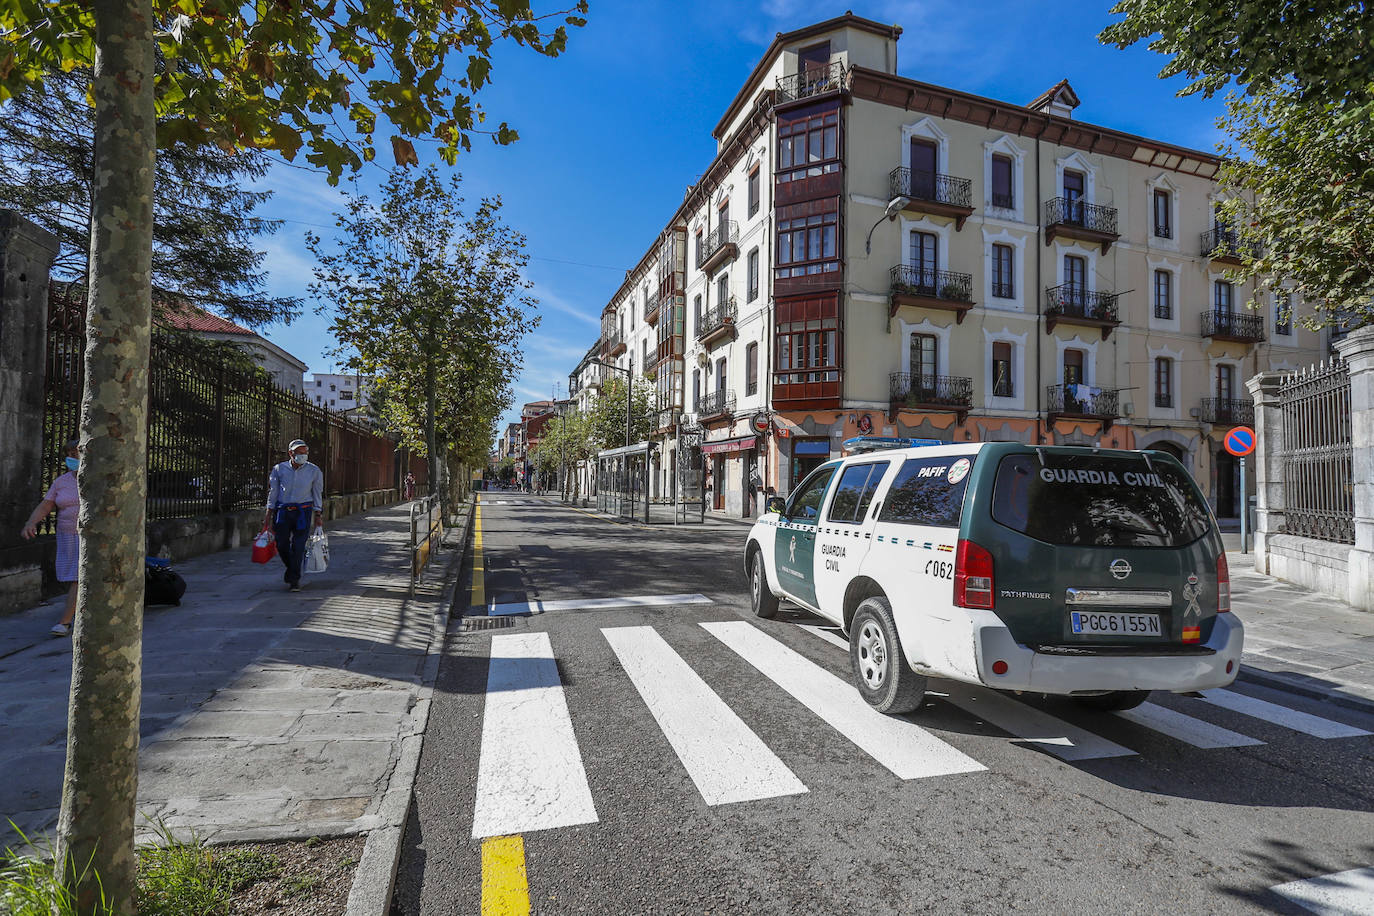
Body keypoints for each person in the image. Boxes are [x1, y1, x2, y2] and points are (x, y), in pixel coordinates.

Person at [20, 438, 82, 637]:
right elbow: (47, 505)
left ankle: (64, 622)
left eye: (77, 453)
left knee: (77, 578)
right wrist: (32, 522)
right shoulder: (61, 482)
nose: (73, 458)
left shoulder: (97, 480)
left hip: (89, 536)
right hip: (67, 536)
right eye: (70, 454)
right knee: (72, 577)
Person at [264, 439, 324, 592]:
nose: (303, 455)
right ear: (291, 453)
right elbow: (274, 493)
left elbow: (317, 493)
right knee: (282, 544)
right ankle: (292, 570)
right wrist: (268, 514)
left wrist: (318, 514)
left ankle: (294, 580)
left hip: (302, 512)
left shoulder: (314, 471)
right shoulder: (279, 469)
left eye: (305, 453)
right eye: (299, 453)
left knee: (298, 546)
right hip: (283, 512)